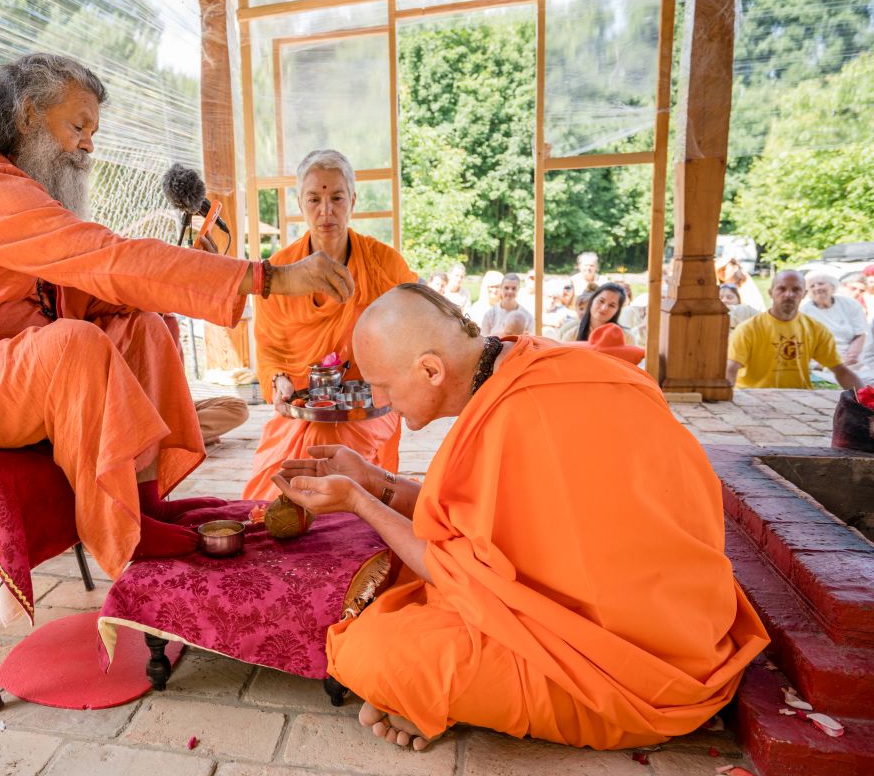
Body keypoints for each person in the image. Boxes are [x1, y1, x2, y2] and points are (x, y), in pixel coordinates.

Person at [0, 53, 355, 576]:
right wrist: (266, 277)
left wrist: (152, 292)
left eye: (92, 130)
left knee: (142, 326)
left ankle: (145, 506)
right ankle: (120, 534)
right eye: (78, 125)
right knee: (75, 346)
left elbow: (81, 288)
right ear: (27, 116)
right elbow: (105, 258)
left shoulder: (8, 185)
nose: (88, 144)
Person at [272, 283, 769, 751]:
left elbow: (449, 565)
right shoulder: (534, 363)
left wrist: (361, 503)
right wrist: (372, 479)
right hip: (678, 617)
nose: (383, 403)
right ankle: (439, 699)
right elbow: (484, 523)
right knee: (403, 619)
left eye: (384, 386)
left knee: (374, 653)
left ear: (430, 370)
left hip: (632, 663)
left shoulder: (519, 414)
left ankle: (441, 699)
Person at [242, 149, 415, 501]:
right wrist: (279, 381)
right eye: (314, 199)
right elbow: (270, 347)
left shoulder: (384, 264)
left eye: (336, 197)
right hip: (303, 405)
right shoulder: (279, 269)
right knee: (275, 471)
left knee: (324, 450)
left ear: (352, 198)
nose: (326, 211)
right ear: (299, 203)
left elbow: (416, 326)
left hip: (367, 405)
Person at [726, 270, 862, 390]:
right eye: (782, 289)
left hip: (801, 398)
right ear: (770, 293)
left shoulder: (816, 329)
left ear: (804, 294)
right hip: (755, 397)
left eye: (796, 289)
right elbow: (731, 369)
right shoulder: (748, 329)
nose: (789, 294)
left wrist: (867, 398)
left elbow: (840, 371)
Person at [799, 272, 865, 368]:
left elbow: (860, 334)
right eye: (812, 286)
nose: (817, 288)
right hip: (823, 363)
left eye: (821, 284)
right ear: (807, 292)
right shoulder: (804, 312)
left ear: (832, 286)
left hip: (853, 358)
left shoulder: (850, 304)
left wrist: (852, 355)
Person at [560, 283, 637, 345]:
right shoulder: (571, 335)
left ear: (617, 310)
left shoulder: (627, 338)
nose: (604, 308)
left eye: (612, 305)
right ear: (592, 300)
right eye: (601, 301)